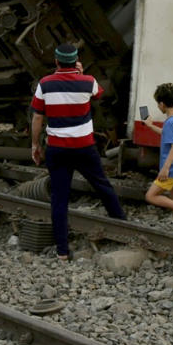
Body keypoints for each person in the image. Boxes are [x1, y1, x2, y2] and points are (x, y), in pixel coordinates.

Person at [30, 43, 126, 260]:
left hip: (57, 148)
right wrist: (80, 74)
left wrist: (35, 145)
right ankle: (121, 225)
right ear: (76, 61)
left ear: (56, 61)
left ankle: (62, 251)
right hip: (84, 147)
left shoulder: (45, 84)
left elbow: (37, 117)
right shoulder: (88, 82)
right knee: (102, 185)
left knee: (59, 198)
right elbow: (99, 95)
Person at [140, 83, 173, 231]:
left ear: (162, 104)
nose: (158, 107)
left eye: (158, 104)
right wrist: (151, 126)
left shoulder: (170, 123)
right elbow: (167, 135)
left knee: (150, 196)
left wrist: (165, 168)